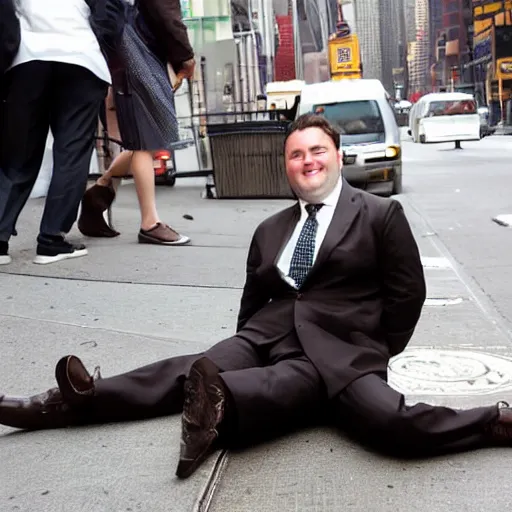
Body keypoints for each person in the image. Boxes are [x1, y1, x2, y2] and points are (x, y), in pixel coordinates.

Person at [1, 114, 511, 481]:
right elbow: (253, 296)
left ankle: (494, 420)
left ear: (337, 156)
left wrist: (374, 348)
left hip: (342, 349)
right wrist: (244, 341)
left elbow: (408, 294)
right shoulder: (270, 228)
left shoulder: (380, 215)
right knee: (195, 367)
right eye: (295, 154)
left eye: (316, 150)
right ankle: (69, 401)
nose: (306, 160)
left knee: (389, 423)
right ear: (286, 167)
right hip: (267, 332)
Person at [0, 0, 112, 265]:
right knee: (71, 152)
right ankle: (52, 239)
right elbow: (111, 12)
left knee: (17, 154)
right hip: (80, 56)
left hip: (27, 59)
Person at [77, 0, 194, 245]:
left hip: (120, 39)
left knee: (148, 139)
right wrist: (185, 55)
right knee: (145, 138)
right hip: (135, 44)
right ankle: (149, 223)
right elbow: (166, 12)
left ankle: (101, 189)